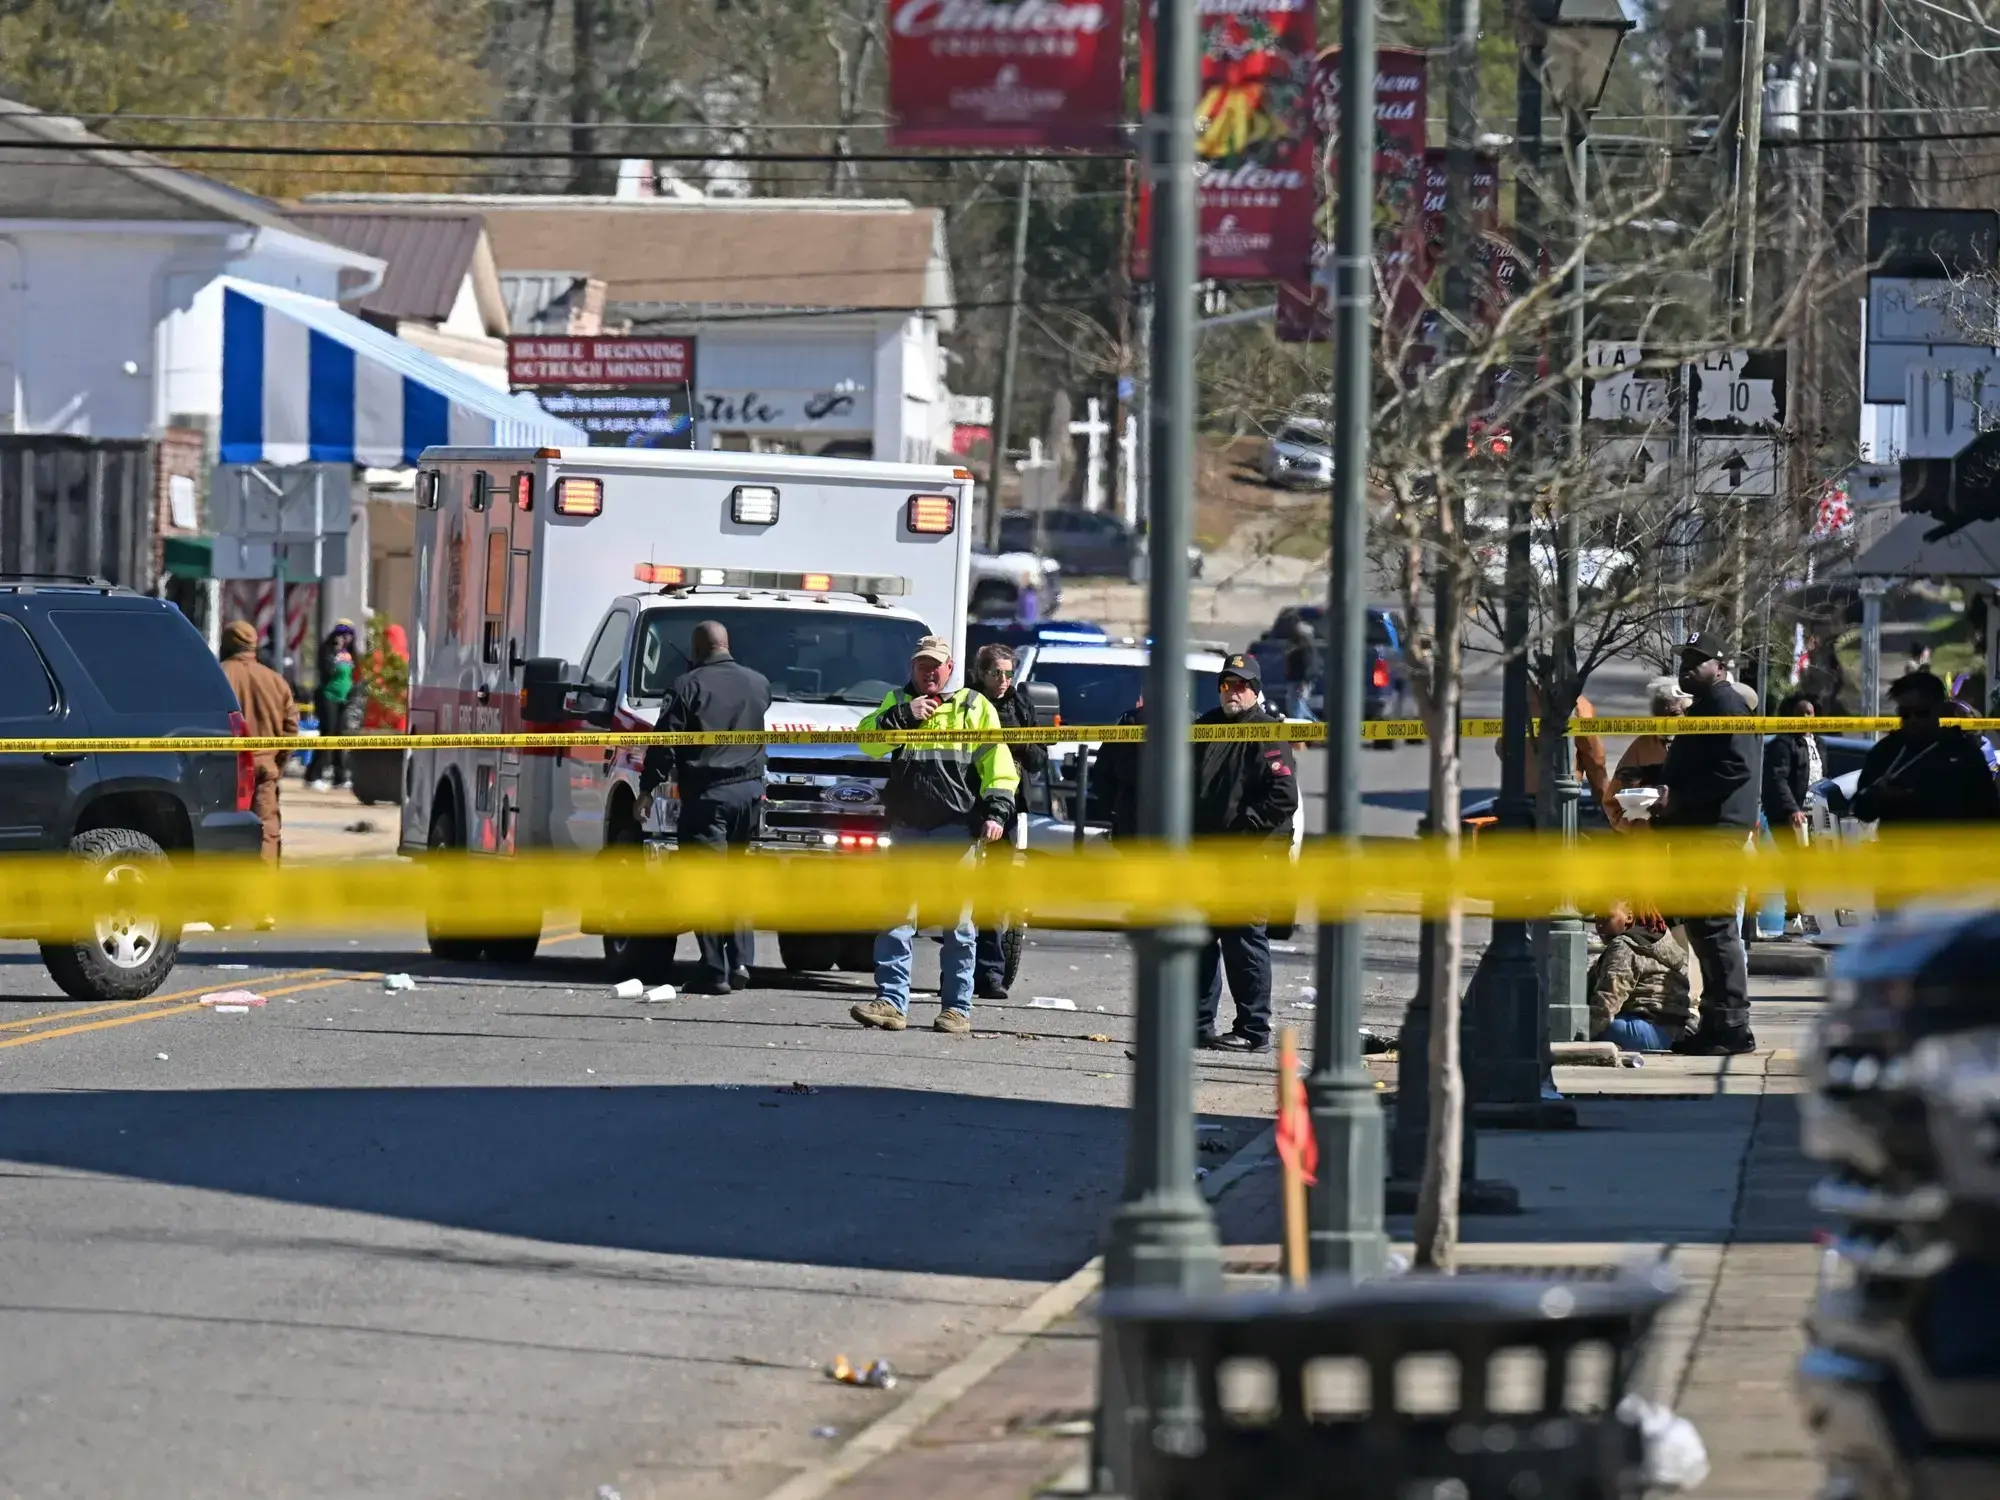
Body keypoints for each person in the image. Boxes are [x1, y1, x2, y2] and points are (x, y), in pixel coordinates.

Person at [849, 635, 1018, 1034]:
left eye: (936, 666)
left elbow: (999, 767)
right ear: (912, 667)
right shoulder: (897, 702)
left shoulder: (974, 706)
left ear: (950, 669)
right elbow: (866, 742)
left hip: (955, 829)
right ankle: (891, 1003)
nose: (929, 672)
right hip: (908, 827)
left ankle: (957, 1009)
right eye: (922, 665)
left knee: (957, 924)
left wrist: (996, 812)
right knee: (896, 918)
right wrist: (903, 715)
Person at [635, 621, 772, 994]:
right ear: (726, 645)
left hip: (708, 797)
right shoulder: (759, 682)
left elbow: (665, 743)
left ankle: (713, 971)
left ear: (696, 649)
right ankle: (740, 960)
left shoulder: (686, 686)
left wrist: (647, 789)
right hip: (749, 795)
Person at [1654, 630, 1759, 1056]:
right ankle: (1716, 1023)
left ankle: (1732, 1026)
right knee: (1703, 928)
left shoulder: (1727, 705)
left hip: (1716, 836)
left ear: (1720, 665)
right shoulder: (1705, 707)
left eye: (1696, 661)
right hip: (1698, 835)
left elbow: (1735, 768)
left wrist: (1678, 798)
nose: (1686, 668)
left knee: (1715, 928)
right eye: (1683, 660)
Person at [1192, 653, 1298, 1054]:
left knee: (1243, 942)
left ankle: (1253, 1030)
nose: (1232, 692)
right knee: (1199, 939)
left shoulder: (1266, 732)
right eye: (1226, 685)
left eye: (1241, 685)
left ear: (1255, 690)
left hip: (1250, 857)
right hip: (1206, 857)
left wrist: (1242, 828)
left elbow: (1283, 796)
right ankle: (1198, 1025)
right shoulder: (1205, 727)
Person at [969, 643, 1045, 999]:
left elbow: (1040, 759)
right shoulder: (967, 703)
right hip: (968, 803)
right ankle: (956, 971)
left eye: (1008, 673)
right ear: (980, 673)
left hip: (1008, 807)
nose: (1003, 680)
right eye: (996, 673)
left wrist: (1021, 742)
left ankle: (990, 974)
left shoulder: (1021, 705)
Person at [1852, 670, 2000, 829]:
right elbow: (1860, 810)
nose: (1913, 720)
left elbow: (1989, 812)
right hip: (1899, 843)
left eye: (1921, 713)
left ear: (1939, 709)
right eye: (1905, 713)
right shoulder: (1886, 751)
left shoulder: (1964, 752)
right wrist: (1878, 796)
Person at [219, 619, 300, 865]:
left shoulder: (217, 677)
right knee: (266, 831)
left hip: (223, 770)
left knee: (222, 832)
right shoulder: (275, 681)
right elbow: (291, 730)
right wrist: (276, 765)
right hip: (264, 769)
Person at [1588, 901, 1698, 1052]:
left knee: (1579, 1024)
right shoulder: (1665, 941)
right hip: (1673, 1032)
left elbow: (1608, 1001)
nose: (1599, 925)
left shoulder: (1624, 945)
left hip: (1643, 1031)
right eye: (1597, 919)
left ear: (1629, 917)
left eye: (1607, 917)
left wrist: (1583, 1032)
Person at [1605, 676, 1690, 829]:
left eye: (1674, 715)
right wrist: (1634, 827)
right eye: (1659, 716)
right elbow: (1613, 802)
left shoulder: (1700, 744)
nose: (1665, 722)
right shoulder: (1643, 745)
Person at [306, 620, 357, 791]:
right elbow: (327, 671)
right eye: (341, 633)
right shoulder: (327, 650)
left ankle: (339, 776)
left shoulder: (350, 653)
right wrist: (335, 651)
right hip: (327, 696)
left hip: (343, 699)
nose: (345, 637)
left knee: (340, 736)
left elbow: (355, 674)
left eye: (348, 634)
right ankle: (314, 774)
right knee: (327, 733)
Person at [1091, 698, 1146, 841]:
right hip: (1183, 826)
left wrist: (1112, 809)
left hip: (1132, 822)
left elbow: (1102, 777)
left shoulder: (1127, 721)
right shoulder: (1195, 722)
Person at [1283, 617, 1319, 720]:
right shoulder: (1297, 646)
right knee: (1299, 705)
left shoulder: (1306, 648)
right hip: (1295, 680)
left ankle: (1299, 724)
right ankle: (1316, 723)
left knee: (1296, 705)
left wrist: (1305, 682)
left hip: (1299, 681)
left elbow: (1310, 665)